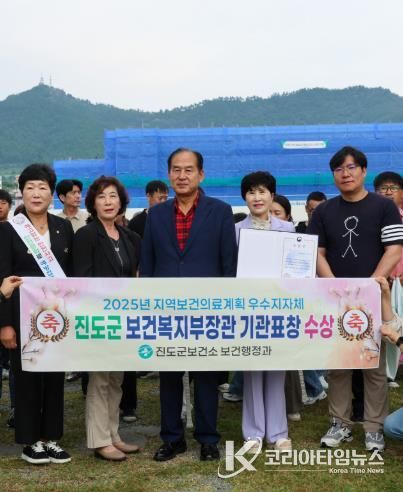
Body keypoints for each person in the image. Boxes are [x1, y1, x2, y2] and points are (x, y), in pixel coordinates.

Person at [141, 148, 237, 462]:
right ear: (169, 174)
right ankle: (172, 438)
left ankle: (208, 439)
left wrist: (225, 306)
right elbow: (148, 263)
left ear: (201, 174)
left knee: (207, 376)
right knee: (169, 376)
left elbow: (229, 264)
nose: (182, 176)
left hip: (207, 309)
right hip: (166, 309)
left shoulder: (220, 211)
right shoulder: (156, 215)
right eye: (176, 170)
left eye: (188, 170)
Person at [307, 146, 403, 451]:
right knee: (338, 365)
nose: (345, 174)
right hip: (335, 297)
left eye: (351, 167)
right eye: (338, 169)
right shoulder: (324, 211)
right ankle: (340, 423)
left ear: (363, 171)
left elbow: (394, 249)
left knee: (373, 367)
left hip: (374, 296)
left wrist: (371, 285)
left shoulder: (384, 207)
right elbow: (317, 253)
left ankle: (374, 427)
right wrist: (333, 285)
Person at [0, 163, 74, 464]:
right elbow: (4, 277)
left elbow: (71, 276)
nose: (36, 193)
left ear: (51, 193)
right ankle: (30, 441)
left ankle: (51, 437)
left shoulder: (63, 228)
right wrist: (5, 324)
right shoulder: (9, 230)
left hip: (57, 316)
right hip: (21, 316)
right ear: (22, 192)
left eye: (42, 187)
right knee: (27, 379)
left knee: (54, 377)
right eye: (30, 187)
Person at [73, 175, 141, 462]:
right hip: (98, 319)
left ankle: (113, 434)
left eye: (113, 196)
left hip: (124, 319)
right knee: (100, 380)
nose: (108, 201)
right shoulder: (86, 235)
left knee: (116, 379)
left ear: (121, 202)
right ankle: (99, 440)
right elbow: (81, 279)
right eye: (101, 197)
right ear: (93, 203)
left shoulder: (129, 237)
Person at [235, 171, 294, 452]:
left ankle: (279, 433)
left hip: (280, 308)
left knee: (277, 369)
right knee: (252, 370)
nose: (257, 197)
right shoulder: (236, 230)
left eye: (262, 191)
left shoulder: (288, 230)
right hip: (249, 309)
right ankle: (254, 433)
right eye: (251, 192)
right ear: (244, 197)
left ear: (272, 195)